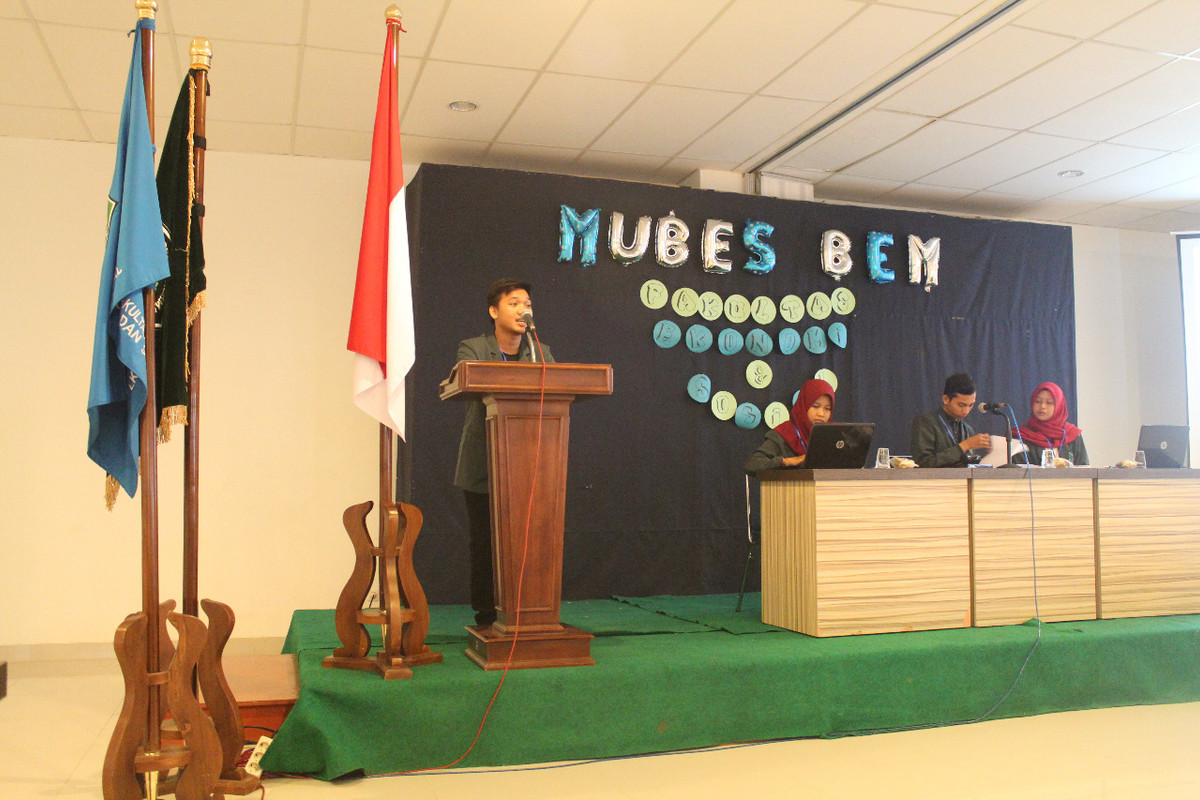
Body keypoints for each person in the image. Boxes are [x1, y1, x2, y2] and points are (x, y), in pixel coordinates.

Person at [453, 278, 555, 626]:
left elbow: (559, 385)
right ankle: (486, 614)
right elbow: (468, 379)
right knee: (486, 541)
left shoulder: (540, 351)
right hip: (484, 462)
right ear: (494, 311)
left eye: (527, 304)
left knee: (531, 538)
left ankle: (531, 609)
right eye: (513, 303)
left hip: (531, 462)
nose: (523, 309)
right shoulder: (473, 348)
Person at [744, 379, 834, 474]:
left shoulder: (834, 435)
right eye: (815, 406)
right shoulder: (784, 433)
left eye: (827, 408)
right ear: (803, 405)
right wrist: (789, 461)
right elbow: (752, 465)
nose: (821, 414)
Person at [910, 372, 991, 467]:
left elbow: (967, 465)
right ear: (946, 399)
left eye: (971, 405)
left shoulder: (968, 429)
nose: (966, 411)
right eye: (961, 405)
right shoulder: (926, 422)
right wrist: (963, 446)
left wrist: (985, 457)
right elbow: (924, 462)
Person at [1010, 381, 1089, 466]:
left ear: (1059, 406)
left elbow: (1084, 467)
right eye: (1038, 401)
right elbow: (1018, 470)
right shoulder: (1020, 435)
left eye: (1049, 402)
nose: (1042, 406)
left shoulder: (1072, 434)